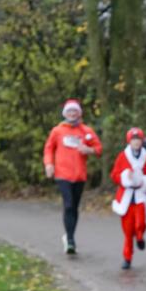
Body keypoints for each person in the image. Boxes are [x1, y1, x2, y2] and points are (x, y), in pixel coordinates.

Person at [43, 99, 102, 254]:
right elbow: (48, 149)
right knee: (68, 204)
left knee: (74, 207)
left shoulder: (86, 131)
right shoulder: (58, 131)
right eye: (69, 111)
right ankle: (70, 240)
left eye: (75, 111)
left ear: (79, 113)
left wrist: (88, 150)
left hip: (79, 175)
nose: (72, 114)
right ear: (65, 113)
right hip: (62, 174)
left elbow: (98, 148)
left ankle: (69, 236)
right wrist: (49, 164)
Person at [111, 127, 146, 270]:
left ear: (142, 141)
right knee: (128, 231)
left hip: (140, 195)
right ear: (129, 141)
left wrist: (144, 181)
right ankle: (127, 258)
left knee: (140, 224)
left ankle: (140, 237)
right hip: (126, 197)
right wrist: (124, 176)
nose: (136, 142)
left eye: (139, 139)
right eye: (134, 139)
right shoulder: (123, 156)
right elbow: (114, 175)